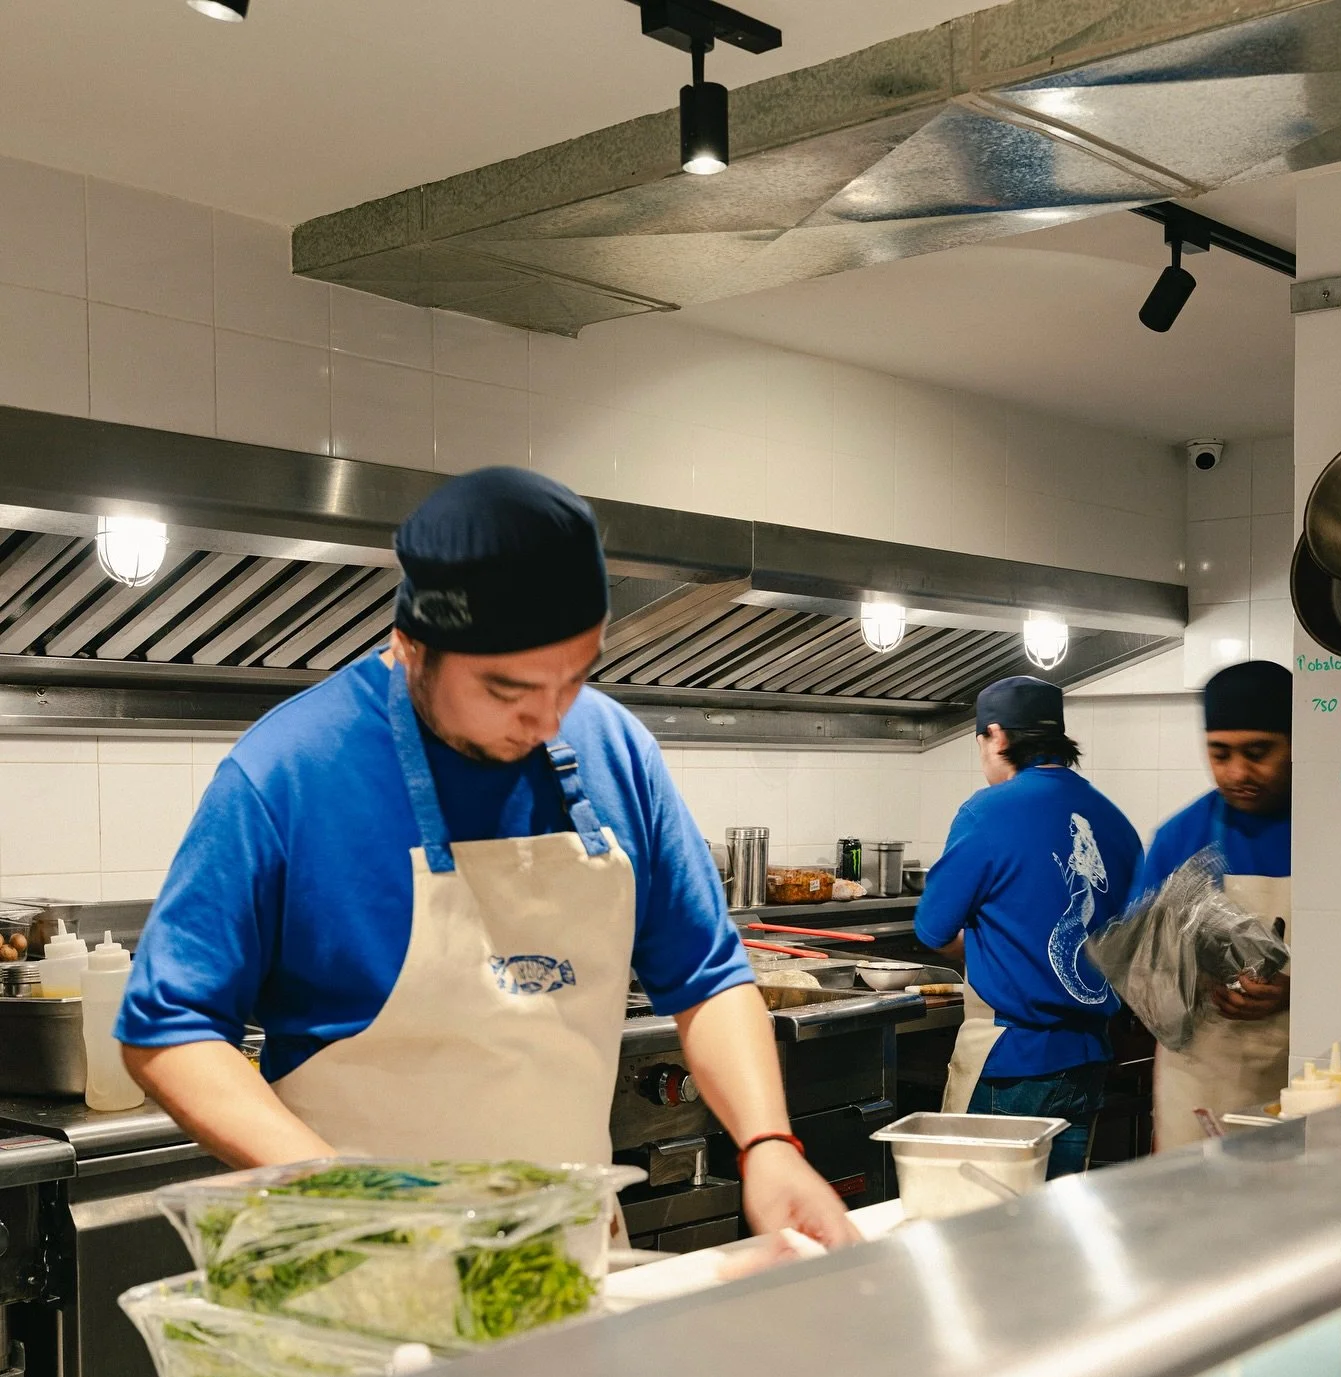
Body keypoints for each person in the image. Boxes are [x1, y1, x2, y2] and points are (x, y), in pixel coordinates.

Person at [118, 467, 856, 1247]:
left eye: (573, 679)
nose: (546, 717)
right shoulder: (287, 773)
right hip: (356, 1260)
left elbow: (707, 976)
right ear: (411, 644)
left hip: (564, 1259)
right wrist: (339, 1193)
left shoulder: (616, 749)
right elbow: (169, 1028)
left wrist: (768, 1144)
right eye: (507, 690)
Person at [914, 676, 1142, 1179]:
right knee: (1057, 1226)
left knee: (984, 1224)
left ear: (995, 736)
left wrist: (986, 946)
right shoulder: (1115, 822)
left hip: (1011, 1061)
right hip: (1087, 1060)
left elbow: (932, 929)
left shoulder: (986, 812)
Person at [1132, 658, 1291, 1150]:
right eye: (1219, 754)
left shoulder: (1337, 834)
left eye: (1258, 752)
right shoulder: (1182, 837)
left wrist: (1296, 992)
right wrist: (1195, 976)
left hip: (1304, 1076)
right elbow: (1140, 967)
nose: (1238, 772)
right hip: (1199, 1082)